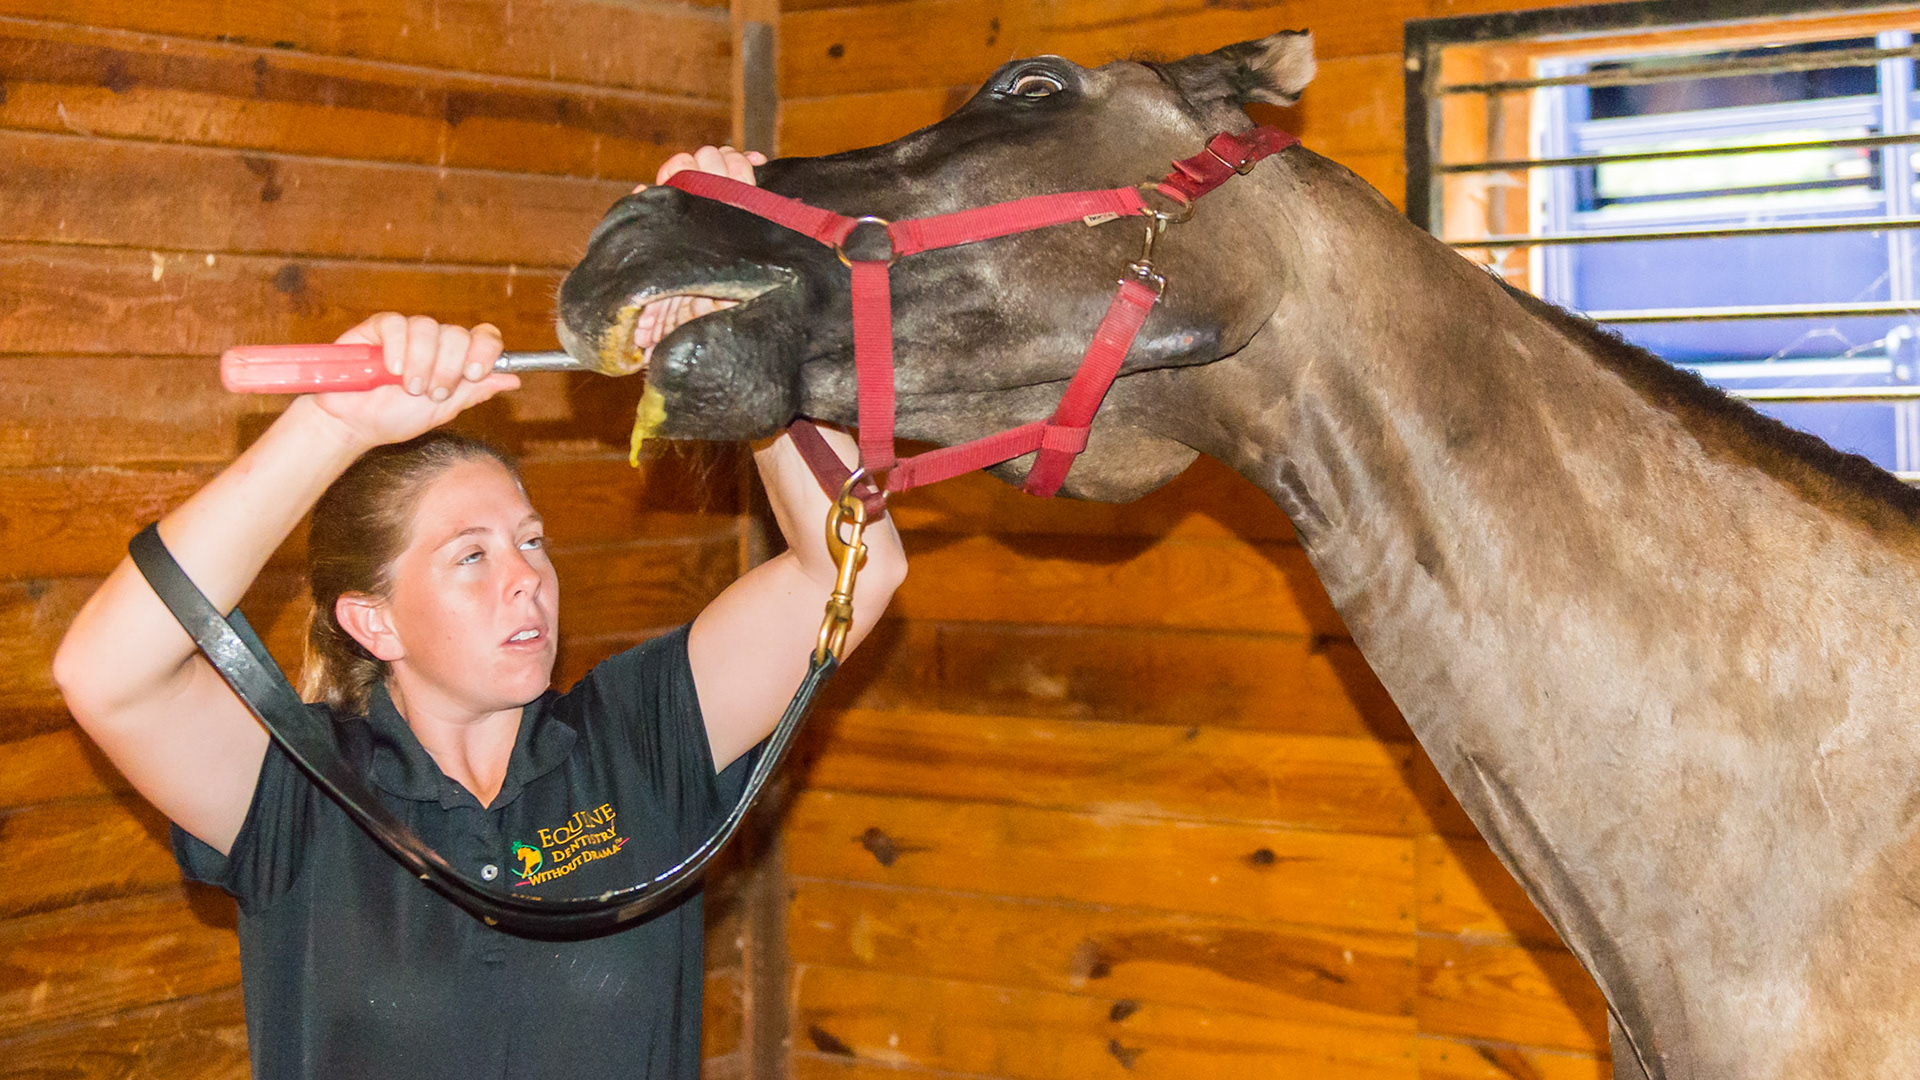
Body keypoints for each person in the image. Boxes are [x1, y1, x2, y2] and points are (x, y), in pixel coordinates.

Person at [51, 146, 906, 1079]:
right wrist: (329, 428)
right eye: (472, 556)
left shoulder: (640, 734)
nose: (525, 578)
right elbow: (105, 673)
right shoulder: (300, 792)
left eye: (531, 541)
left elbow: (858, 570)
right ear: (372, 624)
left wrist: (752, 351)